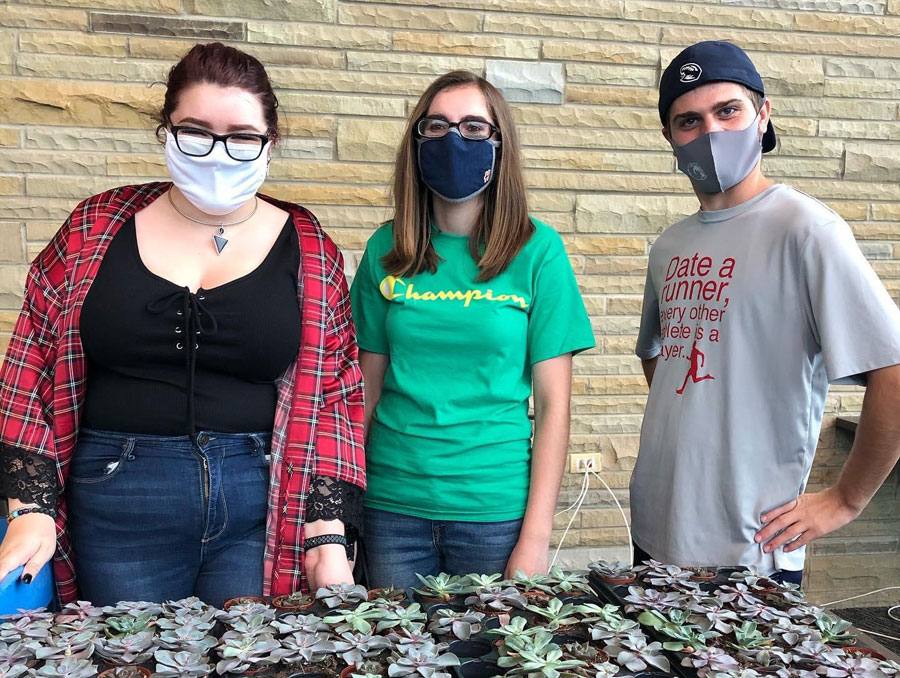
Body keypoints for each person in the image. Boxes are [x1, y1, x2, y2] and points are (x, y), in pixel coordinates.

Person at [0, 42, 365, 607]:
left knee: (251, 660)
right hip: (118, 503)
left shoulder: (309, 245)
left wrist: (327, 532)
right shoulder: (94, 228)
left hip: (262, 506)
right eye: (195, 131)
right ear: (164, 131)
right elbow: (31, 367)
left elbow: (337, 392)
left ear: (271, 142)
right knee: (130, 660)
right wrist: (30, 508)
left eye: (242, 137)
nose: (219, 153)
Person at [633, 41, 900, 584]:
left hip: (749, 545)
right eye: (689, 120)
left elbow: (892, 371)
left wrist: (846, 500)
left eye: (727, 111)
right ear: (669, 137)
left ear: (762, 115)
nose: (710, 132)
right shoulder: (669, 245)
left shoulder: (806, 231)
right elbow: (660, 357)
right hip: (654, 528)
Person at [350, 70, 595, 590]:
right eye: (436, 126)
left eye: (474, 127)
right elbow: (363, 393)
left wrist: (536, 536)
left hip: (494, 512)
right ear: (417, 143)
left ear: (499, 144)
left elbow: (554, 407)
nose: (454, 139)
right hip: (392, 506)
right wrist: (343, 511)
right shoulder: (386, 250)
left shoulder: (538, 251)